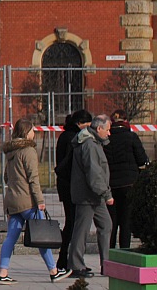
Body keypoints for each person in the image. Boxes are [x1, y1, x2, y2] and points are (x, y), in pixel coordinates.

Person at [0, 117, 72, 284]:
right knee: (42, 235)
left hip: (12, 201)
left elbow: (6, 178)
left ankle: (3, 273)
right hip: (28, 202)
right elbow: (33, 179)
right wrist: (40, 200)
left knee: (10, 238)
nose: (34, 133)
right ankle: (53, 271)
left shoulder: (10, 152)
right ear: (26, 132)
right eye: (32, 130)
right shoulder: (28, 151)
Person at [68, 114, 114, 279]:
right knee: (82, 230)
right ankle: (75, 265)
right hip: (88, 195)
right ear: (99, 128)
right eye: (107, 130)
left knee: (106, 225)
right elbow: (94, 173)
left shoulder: (94, 142)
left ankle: (106, 264)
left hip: (95, 196)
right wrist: (106, 193)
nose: (109, 134)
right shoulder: (89, 144)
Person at [104, 109, 149, 250]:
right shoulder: (131, 137)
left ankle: (108, 255)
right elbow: (142, 159)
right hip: (129, 184)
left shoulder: (106, 139)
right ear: (125, 121)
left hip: (110, 185)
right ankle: (124, 252)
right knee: (125, 223)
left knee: (111, 223)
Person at [55, 109, 92, 271]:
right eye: (87, 125)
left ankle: (65, 259)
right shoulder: (73, 138)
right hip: (70, 185)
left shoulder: (65, 135)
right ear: (80, 124)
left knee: (71, 222)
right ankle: (66, 259)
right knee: (72, 223)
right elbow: (71, 164)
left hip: (65, 185)